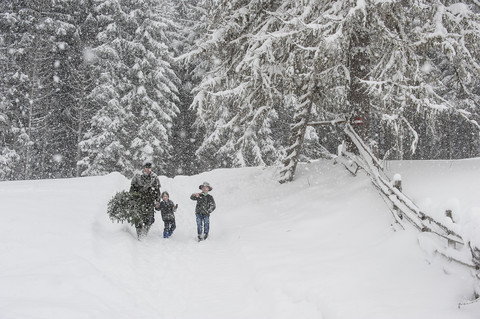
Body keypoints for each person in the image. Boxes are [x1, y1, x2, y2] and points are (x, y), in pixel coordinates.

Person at [130, 162, 161, 238]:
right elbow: (132, 189)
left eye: (149, 168)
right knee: (138, 218)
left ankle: (145, 233)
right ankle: (139, 234)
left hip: (149, 201)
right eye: (147, 168)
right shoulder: (137, 176)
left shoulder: (154, 177)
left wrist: (157, 201)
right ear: (144, 168)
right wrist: (132, 199)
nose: (148, 170)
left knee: (150, 219)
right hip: (139, 201)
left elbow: (157, 190)